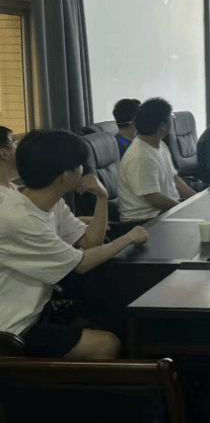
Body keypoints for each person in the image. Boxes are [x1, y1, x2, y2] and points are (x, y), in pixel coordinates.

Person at [0, 128, 148, 359]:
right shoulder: (19, 217)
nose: (83, 171)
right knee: (107, 344)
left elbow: (90, 243)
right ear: (65, 176)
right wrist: (129, 238)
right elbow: (81, 263)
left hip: (43, 309)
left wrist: (102, 198)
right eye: (79, 165)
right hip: (14, 328)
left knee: (114, 314)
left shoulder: (52, 202)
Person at [118, 98, 197, 222]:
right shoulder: (140, 156)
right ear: (163, 126)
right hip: (146, 220)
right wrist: (183, 208)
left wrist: (196, 199)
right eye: (171, 117)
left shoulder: (160, 144)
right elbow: (153, 198)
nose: (173, 120)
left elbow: (174, 179)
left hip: (166, 211)